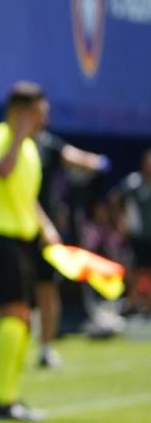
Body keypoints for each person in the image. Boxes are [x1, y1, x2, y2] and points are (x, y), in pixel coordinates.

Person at [0, 81, 60, 423]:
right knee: (15, 313)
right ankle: (3, 399)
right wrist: (19, 135)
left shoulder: (31, 149)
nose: (43, 120)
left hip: (21, 241)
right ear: (20, 113)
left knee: (22, 317)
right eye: (38, 114)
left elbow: (26, 197)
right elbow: (2, 172)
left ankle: (8, 396)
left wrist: (46, 227)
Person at [33, 124, 109, 367]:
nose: (43, 118)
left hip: (47, 232)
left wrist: (96, 162)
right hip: (15, 226)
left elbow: (76, 158)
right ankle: (6, 348)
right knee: (15, 295)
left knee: (47, 287)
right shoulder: (7, 142)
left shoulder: (47, 143)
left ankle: (46, 348)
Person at [111, 150, 151, 316]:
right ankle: (132, 302)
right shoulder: (133, 183)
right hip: (137, 236)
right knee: (135, 270)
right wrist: (121, 220)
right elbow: (113, 199)